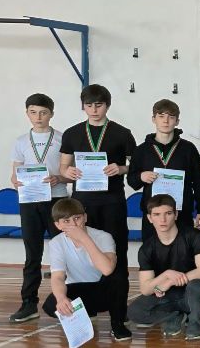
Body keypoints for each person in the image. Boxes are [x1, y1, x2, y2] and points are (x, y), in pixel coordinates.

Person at [58, 84, 136, 284]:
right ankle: (87, 295)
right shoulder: (71, 133)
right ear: (83, 106)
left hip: (112, 201)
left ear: (107, 106)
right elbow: (63, 167)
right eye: (89, 105)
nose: (94, 110)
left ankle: (118, 300)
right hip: (81, 203)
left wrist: (121, 168)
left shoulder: (122, 133)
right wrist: (68, 172)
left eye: (99, 105)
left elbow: (136, 167)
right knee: (82, 249)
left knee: (117, 247)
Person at [9, 93, 68, 323]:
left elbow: (71, 174)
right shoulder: (21, 141)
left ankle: (68, 302)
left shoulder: (62, 139)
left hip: (57, 201)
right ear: (27, 114)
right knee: (32, 254)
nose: (38, 117)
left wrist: (59, 178)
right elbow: (15, 173)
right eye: (33, 112)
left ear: (51, 114)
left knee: (64, 252)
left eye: (43, 112)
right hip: (29, 202)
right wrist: (16, 180)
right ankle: (29, 303)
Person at [42, 198, 131, 340]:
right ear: (58, 225)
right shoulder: (56, 243)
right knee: (51, 304)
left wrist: (84, 239)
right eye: (66, 221)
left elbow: (107, 269)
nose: (73, 224)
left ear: (85, 217)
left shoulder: (103, 237)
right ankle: (84, 314)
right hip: (79, 291)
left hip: (104, 292)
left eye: (77, 218)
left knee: (118, 276)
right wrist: (61, 298)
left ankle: (118, 324)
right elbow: (58, 277)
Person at [127, 194, 200, 340]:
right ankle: (175, 316)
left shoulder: (194, 235)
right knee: (135, 311)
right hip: (169, 296)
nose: (163, 219)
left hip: (194, 293)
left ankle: (195, 323)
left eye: (168, 213)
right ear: (149, 218)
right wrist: (166, 274)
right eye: (157, 214)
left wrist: (171, 281)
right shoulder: (146, 248)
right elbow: (146, 289)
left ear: (176, 215)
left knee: (196, 285)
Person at [128, 99, 200, 240]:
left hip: (182, 214)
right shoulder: (142, 150)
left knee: (183, 252)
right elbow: (132, 180)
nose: (166, 121)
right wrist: (141, 176)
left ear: (177, 121)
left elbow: (199, 181)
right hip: (153, 216)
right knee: (152, 252)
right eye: (161, 116)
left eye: (171, 117)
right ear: (153, 119)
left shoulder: (188, 149)